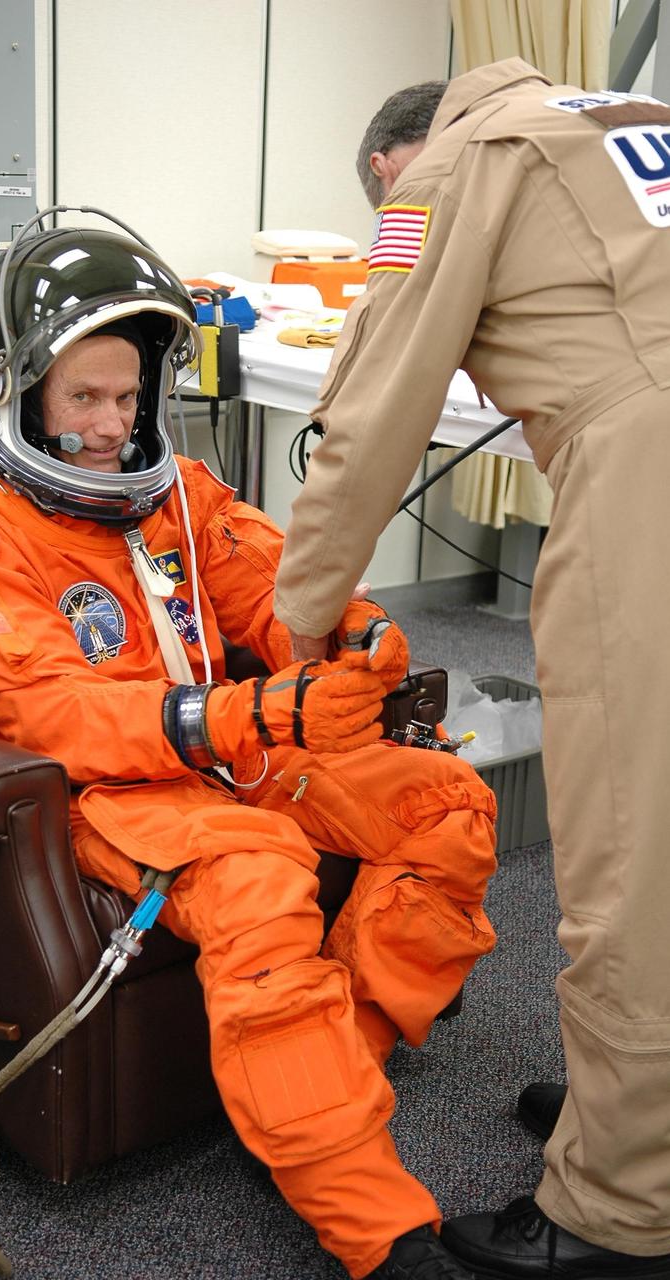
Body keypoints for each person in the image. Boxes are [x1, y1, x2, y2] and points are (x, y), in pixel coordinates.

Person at [0, 213, 498, 1280]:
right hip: (105, 790)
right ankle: (376, 1224)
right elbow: (41, 710)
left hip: (229, 748)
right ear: (17, 386)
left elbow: (269, 587)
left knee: (443, 800)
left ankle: (321, 1082)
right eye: (81, 397)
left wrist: (356, 631)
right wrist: (244, 715)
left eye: (127, 398)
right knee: (258, 875)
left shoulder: (175, 490)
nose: (107, 426)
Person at [273, 56, 670, 1280]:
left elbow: (371, 405)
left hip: (648, 475)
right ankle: (636, 1118)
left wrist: (296, 623)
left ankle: (617, 1207)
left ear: (390, 165)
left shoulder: (448, 168)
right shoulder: (626, 118)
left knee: (629, 858)